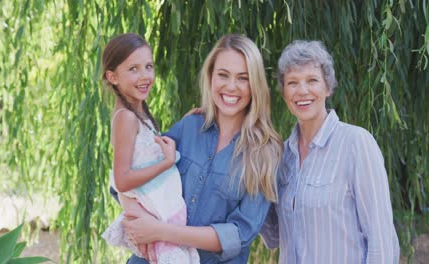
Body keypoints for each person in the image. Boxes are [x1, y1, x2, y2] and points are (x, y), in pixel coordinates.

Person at [121, 34, 284, 263]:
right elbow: (132, 176)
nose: (231, 86)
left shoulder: (266, 153)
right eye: (223, 75)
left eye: (243, 78)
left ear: (255, 84)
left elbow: (238, 234)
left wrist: (160, 231)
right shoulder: (189, 127)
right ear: (210, 77)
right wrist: (140, 223)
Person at [260, 40, 400, 263]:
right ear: (284, 92)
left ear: (328, 87)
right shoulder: (280, 156)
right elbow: (274, 236)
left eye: (312, 80)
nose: (302, 90)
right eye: (293, 82)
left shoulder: (356, 144)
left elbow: (381, 239)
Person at [100, 33, 199, 263]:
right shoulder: (126, 117)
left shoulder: (137, 112)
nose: (144, 76)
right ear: (113, 76)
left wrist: (185, 124)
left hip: (159, 215)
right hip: (154, 217)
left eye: (148, 66)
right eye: (133, 69)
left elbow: (146, 153)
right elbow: (122, 180)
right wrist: (167, 162)